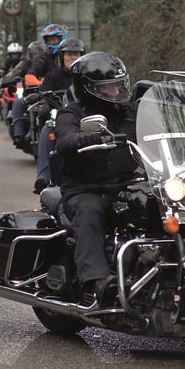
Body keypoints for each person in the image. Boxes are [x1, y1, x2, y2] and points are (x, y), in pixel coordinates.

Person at [54, 51, 137, 302]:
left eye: (118, 84)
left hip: (126, 185)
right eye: (108, 87)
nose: (115, 91)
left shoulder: (129, 112)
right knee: (90, 211)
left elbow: (157, 127)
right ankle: (98, 281)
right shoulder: (72, 114)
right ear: (87, 88)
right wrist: (90, 137)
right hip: (84, 189)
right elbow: (65, 140)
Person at [31, 37, 86, 194]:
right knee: (47, 129)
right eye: (69, 54)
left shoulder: (87, 76)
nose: (73, 57)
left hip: (84, 117)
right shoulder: (53, 76)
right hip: (60, 118)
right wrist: (37, 95)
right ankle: (43, 176)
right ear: (62, 56)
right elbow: (43, 90)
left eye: (77, 54)